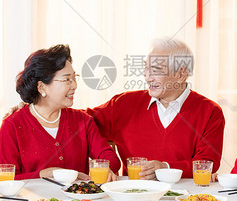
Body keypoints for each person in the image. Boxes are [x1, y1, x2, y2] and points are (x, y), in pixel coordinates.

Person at [87, 37, 225, 179]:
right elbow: (80, 122)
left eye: (156, 70)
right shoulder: (123, 104)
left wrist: (165, 168)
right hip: (133, 196)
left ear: (181, 74)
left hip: (184, 198)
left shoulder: (210, 112)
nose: (148, 78)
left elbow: (207, 164)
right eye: (146, 68)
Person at [0, 44, 121, 181]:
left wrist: (105, 169)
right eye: (67, 79)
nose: (74, 85)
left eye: (74, 78)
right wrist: (44, 174)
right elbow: (6, 180)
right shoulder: (12, 125)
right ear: (41, 86)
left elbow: (109, 157)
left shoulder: (82, 120)